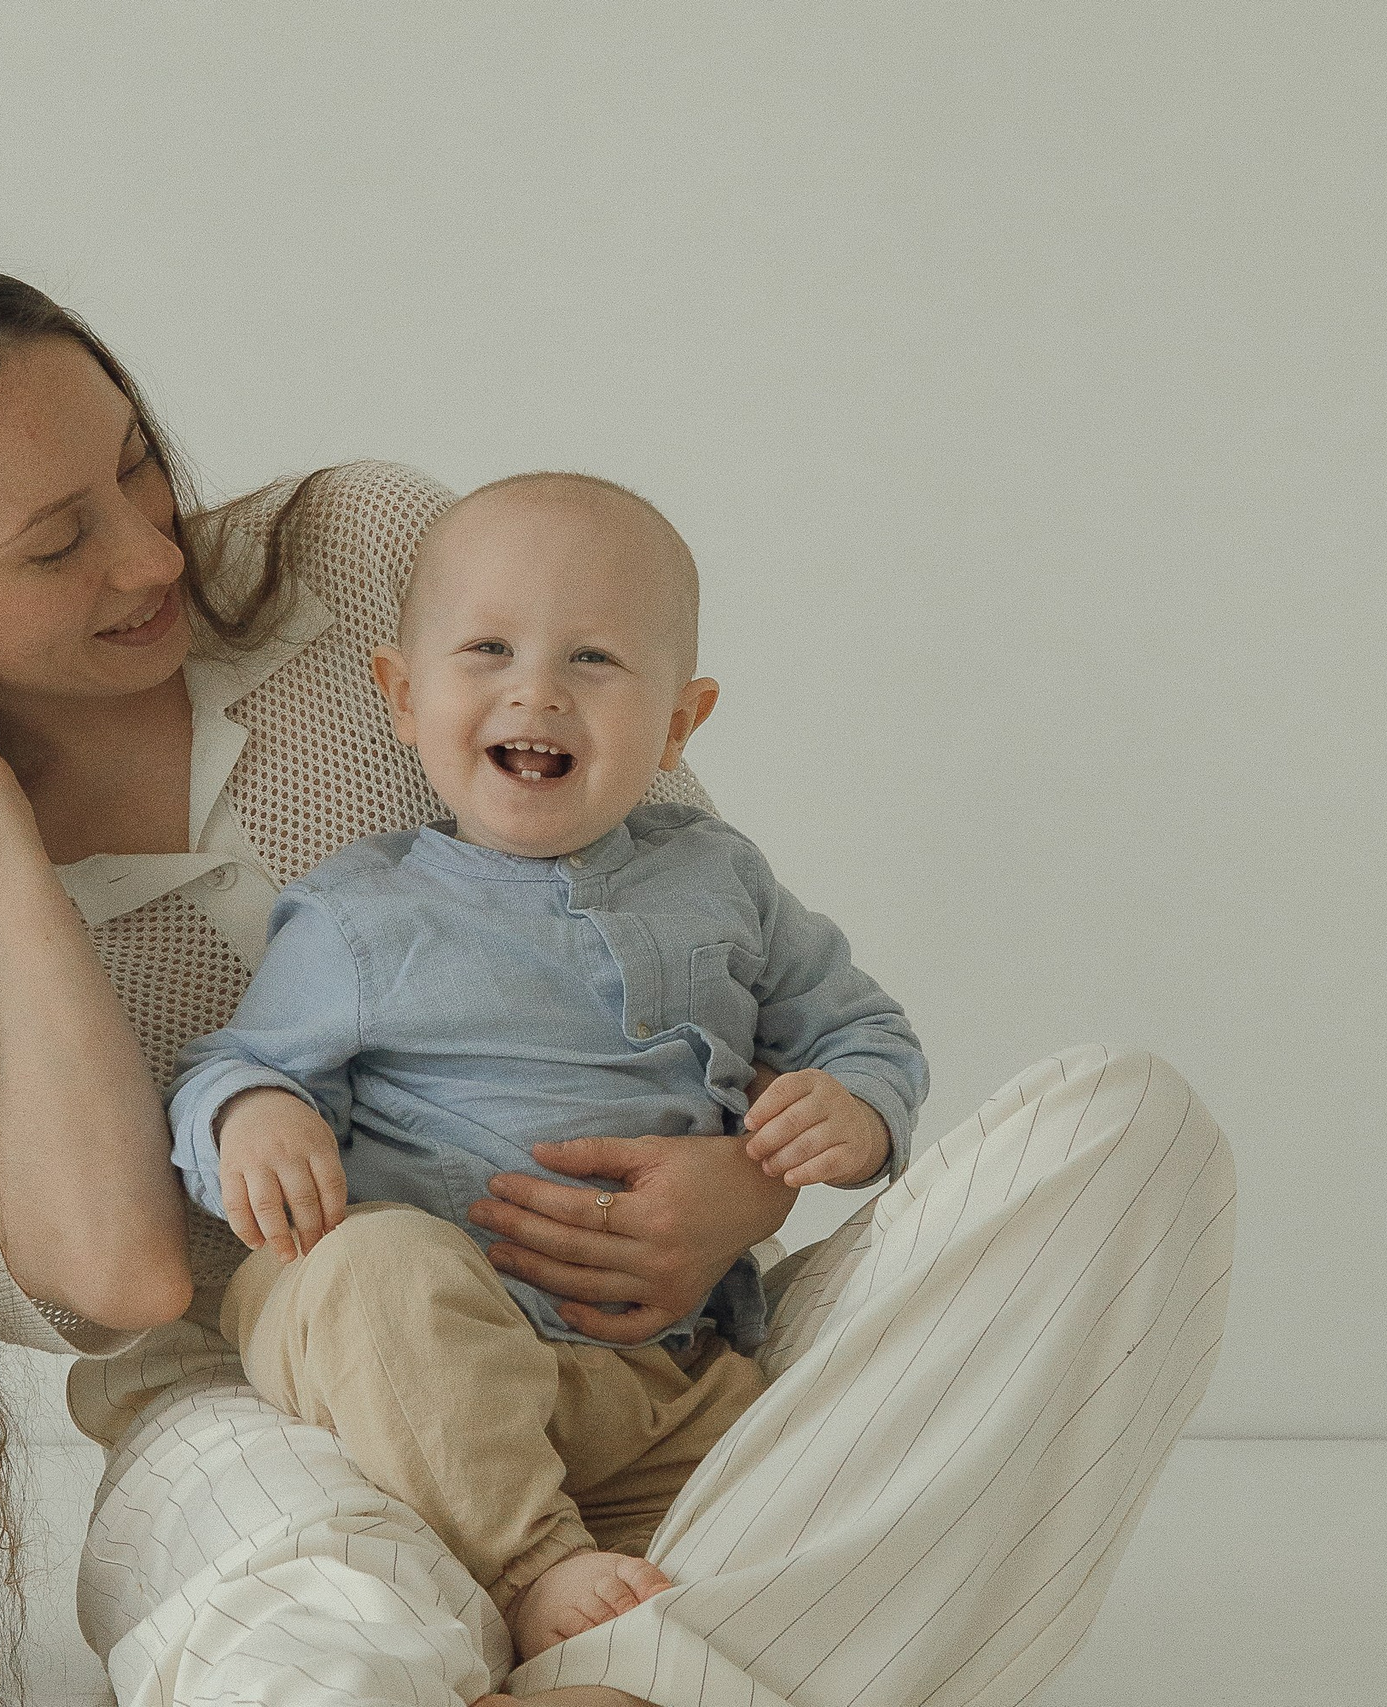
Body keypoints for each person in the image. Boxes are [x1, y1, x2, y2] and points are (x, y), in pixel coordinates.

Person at [0, 247, 1238, 1707]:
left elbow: (677, 887)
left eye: (139, 469)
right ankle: (693, 1651)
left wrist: (738, 1186)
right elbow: (134, 1280)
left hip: (671, 1367)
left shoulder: (361, 553)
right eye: (58, 541)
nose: (151, 556)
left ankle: (582, 1660)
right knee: (312, 1636)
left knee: (1122, 1133)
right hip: (284, 1417)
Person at [167, 472, 929, 1660]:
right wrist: (256, 1112)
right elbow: (235, 1061)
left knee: (850, 1474)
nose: (536, 689)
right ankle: (529, 1564)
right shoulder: (361, 911)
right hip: (433, 1360)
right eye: (488, 649)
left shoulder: (720, 877)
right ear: (402, 696)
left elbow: (859, 1033)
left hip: (663, 1380)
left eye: (593, 660)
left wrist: (855, 1113)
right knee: (375, 1265)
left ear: (680, 723)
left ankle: (607, 1625)